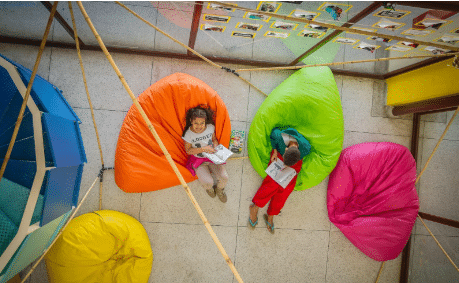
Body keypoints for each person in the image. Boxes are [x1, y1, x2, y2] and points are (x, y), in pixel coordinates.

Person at [248, 127, 311, 234]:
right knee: (272, 184)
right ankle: (255, 206)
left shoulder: (305, 148)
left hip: (294, 163)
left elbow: (301, 156)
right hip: (280, 158)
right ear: (285, 149)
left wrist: (290, 165)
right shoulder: (279, 137)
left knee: (285, 190)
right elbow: (273, 134)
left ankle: (271, 213)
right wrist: (275, 151)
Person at [182, 106, 228, 203]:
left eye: (202, 123)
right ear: (191, 121)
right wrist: (204, 149)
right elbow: (188, 151)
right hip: (198, 160)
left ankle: (219, 189)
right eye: (196, 123)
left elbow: (214, 139)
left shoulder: (210, 127)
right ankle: (209, 188)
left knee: (224, 178)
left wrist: (216, 146)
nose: (199, 126)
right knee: (208, 182)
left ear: (205, 121)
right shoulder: (188, 134)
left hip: (212, 157)